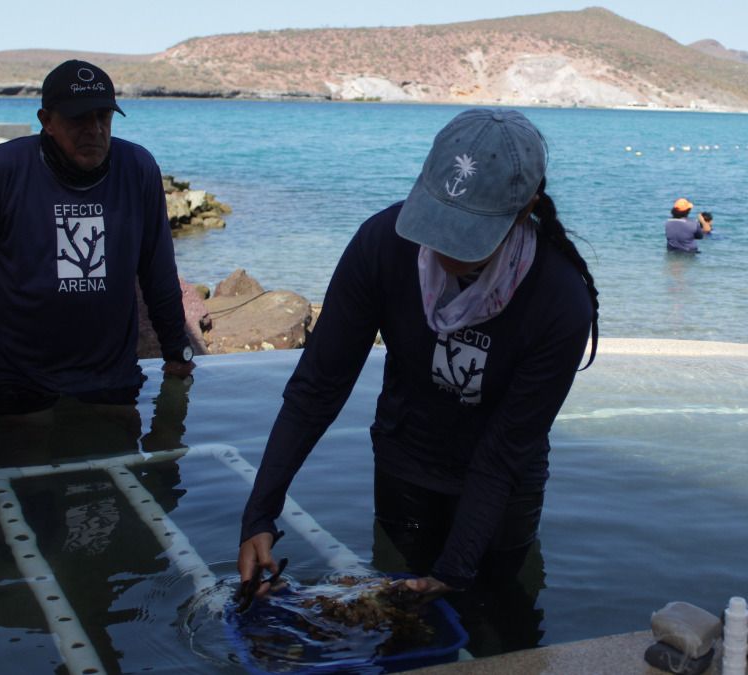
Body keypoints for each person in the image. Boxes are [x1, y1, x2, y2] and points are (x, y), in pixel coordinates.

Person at [237, 109, 599, 604]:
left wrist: (454, 570)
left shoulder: (560, 301)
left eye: (466, 233)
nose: (445, 244)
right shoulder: (382, 246)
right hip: (404, 466)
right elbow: (317, 387)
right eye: (439, 221)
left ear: (525, 210)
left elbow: (504, 452)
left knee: (492, 617)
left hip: (503, 488)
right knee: (397, 618)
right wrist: (259, 513)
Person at [0, 60, 195, 413]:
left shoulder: (138, 170)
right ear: (46, 121)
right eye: (79, 119)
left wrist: (178, 351)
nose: (94, 130)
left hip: (110, 376)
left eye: (103, 117)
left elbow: (158, 271)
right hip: (15, 377)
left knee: (116, 445)